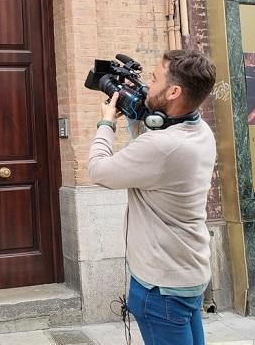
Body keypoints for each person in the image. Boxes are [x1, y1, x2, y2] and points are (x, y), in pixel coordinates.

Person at [88, 49, 217, 345]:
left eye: (155, 78)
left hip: (161, 288)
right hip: (188, 275)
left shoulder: (164, 147)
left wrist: (107, 123)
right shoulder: (200, 131)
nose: (148, 83)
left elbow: (98, 170)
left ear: (174, 91)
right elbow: (151, 159)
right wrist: (139, 117)